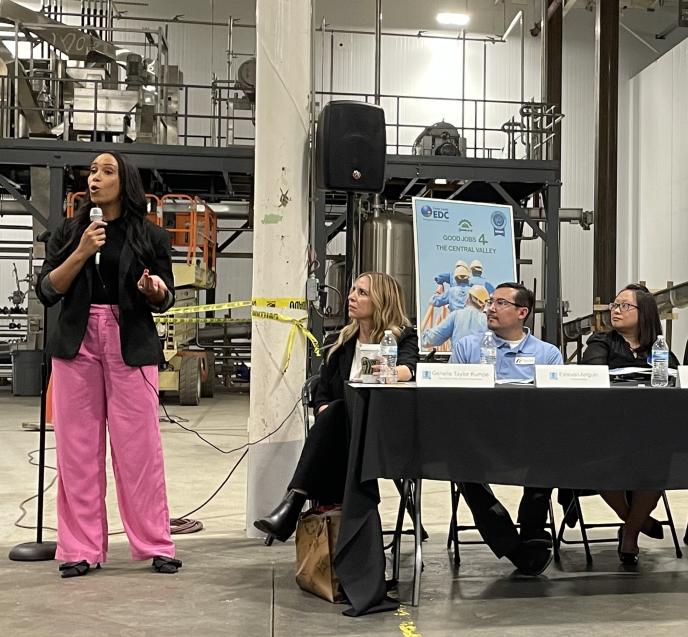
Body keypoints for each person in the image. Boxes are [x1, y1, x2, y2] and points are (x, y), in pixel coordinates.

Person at [36, 152, 182, 578]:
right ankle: (81, 548)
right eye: (92, 172)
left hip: (129, 341)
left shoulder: (150, 236)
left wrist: (154, 290)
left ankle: (155, 542)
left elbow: (167, 296)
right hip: (76, 343)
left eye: (106, 172)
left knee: (140, 449)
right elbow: (47, 290)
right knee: (77, 450)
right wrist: (81, 251)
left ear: (125, 183)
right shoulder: (69, 232)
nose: (95, 178)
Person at [254, 272, 419, 542]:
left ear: (382, 300)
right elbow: (322, 394)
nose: (351, 297)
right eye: (352, 290)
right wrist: (323, 409)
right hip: (343, 434)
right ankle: (348, 539)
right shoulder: (338, 342)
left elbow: (409, 369)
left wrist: (384, 371)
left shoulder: (402, 338)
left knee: (337, 415)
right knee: (336, 412)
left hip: (383, 434)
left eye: (362, 292)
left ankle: (294, 503)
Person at [451, 282, 562, 575]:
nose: (490, 308)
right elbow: (449, 399)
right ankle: (514, 546)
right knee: (459, 463)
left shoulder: (547, 354)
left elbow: (557, 408)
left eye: (501, 303)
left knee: (550, 452)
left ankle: (532, 529)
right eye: (490, 302)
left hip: (530, 441)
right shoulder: (467, 347)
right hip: (475, 441)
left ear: (522, 312)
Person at [581, 283, 678, 565]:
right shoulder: (600, 341)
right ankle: (636, 523)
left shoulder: (659, 348)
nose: (616, 310)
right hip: (607, 431)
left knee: (658, 459)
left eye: (625, 306)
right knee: (598, 462)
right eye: (614, 305)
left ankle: (630, 533)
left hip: (649, 434)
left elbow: (674, 379)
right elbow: (593, 374)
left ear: (644, 313)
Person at [421, 284, 488, 349]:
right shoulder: (488, 320)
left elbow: (433, 338)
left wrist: (422, 337)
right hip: (482, 359)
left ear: (468, 298)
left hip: (458, 359)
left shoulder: (456, 315)